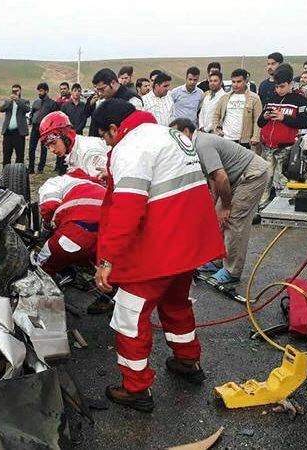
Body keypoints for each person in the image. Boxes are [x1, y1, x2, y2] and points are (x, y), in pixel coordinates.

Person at [92, 100, 225, 412]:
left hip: (159, 249)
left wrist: (107, 260)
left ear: (114, 128)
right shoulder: (169, 135)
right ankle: (187, 361)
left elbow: (127, 209)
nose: (108, 144)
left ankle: (135, 388)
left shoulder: (131, 146)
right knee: (176, 304)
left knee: (129, 314)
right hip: (188, 244)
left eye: (106, 137)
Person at [170, 118, 269, 285]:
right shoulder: (194, 146)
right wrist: (215, 203)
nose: (173, 139)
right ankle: (217, 260)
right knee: (217, 218)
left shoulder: (202, 144)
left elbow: (222, 178)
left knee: (233, 220)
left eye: (176, 134)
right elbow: (214, 177)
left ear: (186, 132)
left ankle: (232, 271)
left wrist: (226, 207)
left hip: (252, 175)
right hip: (235, 177)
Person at [257, 65, 307, 208]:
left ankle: (281, 208)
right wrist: (266, 116)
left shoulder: (300, 99)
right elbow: (260, 122)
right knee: (265, 179)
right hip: (267, 147)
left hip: (285, 149)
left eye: (282, 86)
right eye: (276, 87)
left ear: (290, 84)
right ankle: (262, 207)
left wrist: (283, 118)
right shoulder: (271, 97)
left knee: (280, 181)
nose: (279, 90)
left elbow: (305, 122)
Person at [35, 170, 106, 275]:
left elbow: (49, 207)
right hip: (112, 237)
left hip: (78, 233)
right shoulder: (100, 186)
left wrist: (47, 229)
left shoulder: (57, 181)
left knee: (40, 269)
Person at [37, 111, 108, 178]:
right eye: (48, 146)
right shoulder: (74, 148)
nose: (52, 149)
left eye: (54, 143)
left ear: (65, 134)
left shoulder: (88, 153)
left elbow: (103, 185)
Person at [213, 69, 262, 149]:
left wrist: (255, 136)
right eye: (233, 82)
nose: (235, 84)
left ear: (246, 81)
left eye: (239, 82)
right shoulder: (225, 97)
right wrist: (217, 131)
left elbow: (258, 119)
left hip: (244, 141)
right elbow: (216, 115)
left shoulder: (254, 98)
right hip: (226, 138)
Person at [87, 68, 142, 137]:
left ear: (113, 83)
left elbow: (137, 130)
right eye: (98, 90)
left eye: (102, 89)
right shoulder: (102, 100)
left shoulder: (132, 100)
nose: (100, 93)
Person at [28, 82, 59, 173]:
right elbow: (32, 113)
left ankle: (40, 168)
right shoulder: (36, 102)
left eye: (41, 91)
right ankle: (31, 168)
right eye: (38, 91)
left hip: (45, 130)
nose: (39, 93)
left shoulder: (52, 103)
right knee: (31, 148)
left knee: (43, 149)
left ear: (46, 91)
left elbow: (55, 117)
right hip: (35, 128)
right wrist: (31, 120)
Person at [0, 84, 30, 165]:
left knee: (20, 155)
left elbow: (27, 109)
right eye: (13, 91)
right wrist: (10, 101)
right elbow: (1, 109)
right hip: (8, 132)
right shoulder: (7, 101)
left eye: (17, 90)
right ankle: (5, 174)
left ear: (20, 91)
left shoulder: (24, 101)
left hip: (19, 133)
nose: (15, 92)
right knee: (6, 155)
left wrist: (17, 100)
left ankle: (18, 174)